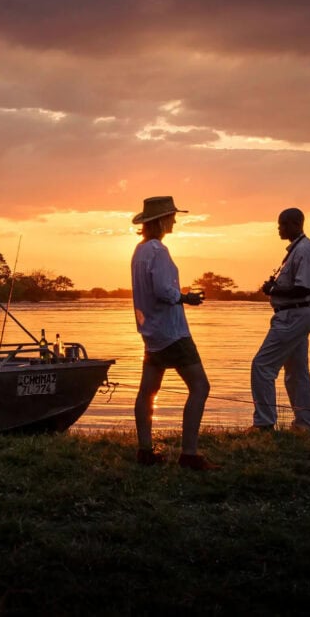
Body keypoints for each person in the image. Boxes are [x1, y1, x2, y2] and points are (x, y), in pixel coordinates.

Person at [131, 196, 217, 470]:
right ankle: (189, 453)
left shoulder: (140, 250)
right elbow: (162, 290)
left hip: (151, 332)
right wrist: (185, 298)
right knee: (200, 387)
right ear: (161, 221)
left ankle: (145, 450)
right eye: (171, 216)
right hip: (172, 332)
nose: (175, 221)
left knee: (147, 391)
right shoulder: (158, 251)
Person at [251, 208, 310, 431]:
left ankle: (264, 423)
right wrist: (275, 288)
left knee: (262, 366)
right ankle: (304, 425)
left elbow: (304, 288)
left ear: (295, 224)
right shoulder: (297, 250)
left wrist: (274, 289)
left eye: (282, 224)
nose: (279, 228)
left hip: (294, 315)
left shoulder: (304, 250)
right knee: (296, 373)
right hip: (295, 315)